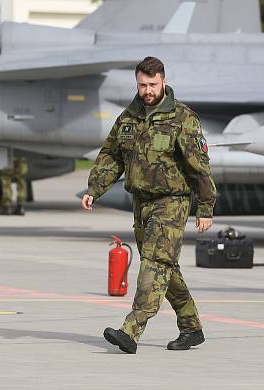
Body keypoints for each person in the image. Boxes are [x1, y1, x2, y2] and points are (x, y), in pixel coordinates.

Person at [82, 56, 216, 354]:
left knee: (153, 266)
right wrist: (95, 188)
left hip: (172, 203)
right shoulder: (129, 117)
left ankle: (131, 330)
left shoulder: (182, 118)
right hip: (141, 204)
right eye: (142, 85)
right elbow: (111, 155)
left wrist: (205, 207)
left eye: (153, 85)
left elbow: (199, 167)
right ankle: (192, 327)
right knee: (165, 267)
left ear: (163, 81)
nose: (147, 91)